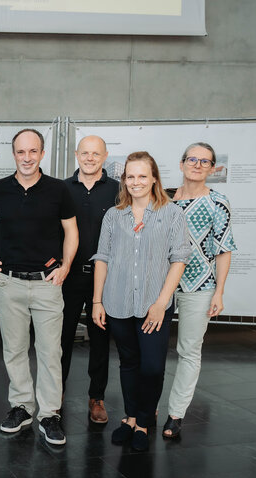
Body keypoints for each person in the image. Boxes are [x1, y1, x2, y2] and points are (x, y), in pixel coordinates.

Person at [0, 128, 78, 446]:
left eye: (33, 151)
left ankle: (50, 414)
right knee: (15, 350)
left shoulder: (58, 190)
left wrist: (66, 267)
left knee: (50, 353)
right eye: (21, 152)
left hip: (47, 284)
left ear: (42, 154)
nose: (27, 157)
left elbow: (71, 231)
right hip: (9, 283)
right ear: (14, 154)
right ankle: (21, 407)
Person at [91, 151, 190, 452]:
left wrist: (161, 303)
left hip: (153, 305)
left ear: (154, 179)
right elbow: (103, 259)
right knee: (129, 363)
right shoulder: (113, 215)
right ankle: (131, 418)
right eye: (130, 176)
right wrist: (97, 302)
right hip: (117, 301)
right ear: (124, 181)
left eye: (142, 176)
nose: (136, 182)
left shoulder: (171, 213)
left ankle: (145, 420)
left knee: (152, 366)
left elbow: (179, 260)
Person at [163, 143, 236, 439]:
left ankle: (176, 414)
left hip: (200, 286)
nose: (197, 164)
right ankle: (145, 408)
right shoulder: (163, 199)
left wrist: (219, 291)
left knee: (189, 351)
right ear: (181, 164)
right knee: (151, 351)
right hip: (161, 286)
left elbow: (224, 249)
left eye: (204, 161)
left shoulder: (218, 202)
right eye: (192, 159)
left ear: (212, 168)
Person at [61, 135, 119, 424]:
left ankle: (96, 397)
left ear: (105, 156)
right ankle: (54, 395)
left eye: (96, 153)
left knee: (100, 340)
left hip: (104, 280)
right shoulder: (60, 188)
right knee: (60, 339)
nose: (90, 158)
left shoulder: (118, 191)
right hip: (68, 277)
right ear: (76, 155)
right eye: (85, 153)